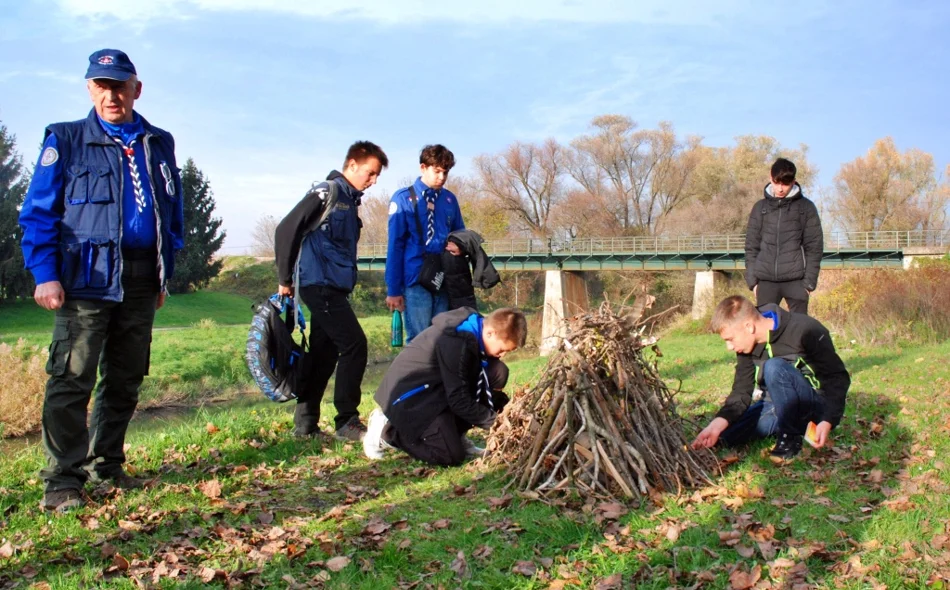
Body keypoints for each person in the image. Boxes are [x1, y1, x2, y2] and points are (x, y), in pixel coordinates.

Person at [18, 49, 185, 512]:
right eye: (101, 86)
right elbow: (38, 213)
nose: (111, 96)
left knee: (126, 378)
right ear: (90, 89)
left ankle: (106, 466)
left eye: (120, 86)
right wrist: (45, 274)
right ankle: (62, 482)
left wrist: (163, 274)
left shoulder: (159, 142)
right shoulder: (66, 139)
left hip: (141, 278)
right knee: (71, 378)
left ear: (137, 89)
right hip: (84, 278)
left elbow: (172, 214)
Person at [274, 141, 388, 442]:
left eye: (377, 175)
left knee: (323, 355)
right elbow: (286, 229)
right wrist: (285, 279)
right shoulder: (327, 192)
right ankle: (347, 421)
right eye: (370, 173)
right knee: (354, 345)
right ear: (351, 165)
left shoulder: (350, 202)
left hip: (332, 287)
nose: (373, 181)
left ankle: (305, 425)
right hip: (319, 285)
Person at [690, 295, 850, 464]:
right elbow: (741, 391)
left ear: (749, 326)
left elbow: (836, 377)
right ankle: (786, 426)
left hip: (812, 406)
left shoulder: (806, 329)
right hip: (773, 405)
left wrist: (828, 419)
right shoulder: (746, 346)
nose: (729, 347)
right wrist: (715, 426)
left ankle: (790, 438)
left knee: (774, 367)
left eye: (730, 339)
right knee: (724, 436)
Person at [364, 307, 527, 466]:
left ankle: (456, 434)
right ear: (490, 333)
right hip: (411, 397)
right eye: (502, 349)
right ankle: (386, 432)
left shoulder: (475, 330)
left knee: (497, 371)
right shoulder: (455, 342)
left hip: (437, 389)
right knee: (450, 455)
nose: (503, 355)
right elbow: (458, 400)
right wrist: (496, 423)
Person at [385, 145, 465, 342]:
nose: (442, 177)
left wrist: (460, 245)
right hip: (415, 280)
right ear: (423, 167)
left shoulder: (449, 199)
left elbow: (460, 234)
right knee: (419, 341)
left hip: (442, 278)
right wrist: (393, 290)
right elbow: (395, 247)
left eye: (445, 172)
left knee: (442, 339)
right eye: (437, 171)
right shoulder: (403, 199)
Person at [744, 158, 823, 315]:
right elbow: (751, 246)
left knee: (799, 328)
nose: (780, 188)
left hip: (796, 282)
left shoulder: (806, 208)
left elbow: (814, 248)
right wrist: (753, 282)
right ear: (770, 177)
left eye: (785, 184)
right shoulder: (760, 208)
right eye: (776, 182)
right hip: (765, 282)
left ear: (793, 181)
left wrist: (808, 284)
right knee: (766, 328)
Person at [441, 229, 500, 311]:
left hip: (452, 267)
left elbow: (461, 232)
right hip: (426, 272)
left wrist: (459, 244)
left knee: (463, 312)